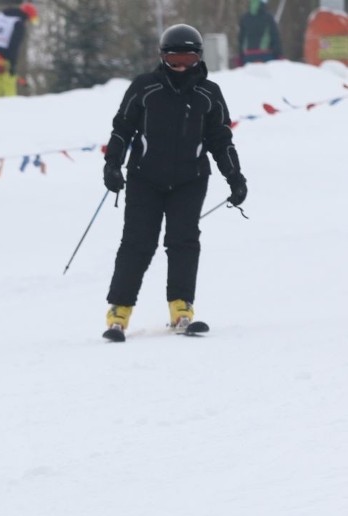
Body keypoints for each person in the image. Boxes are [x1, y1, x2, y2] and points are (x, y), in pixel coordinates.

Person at [101, 24, 248, 340]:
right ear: (163, 57)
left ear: (199, 57)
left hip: (190, 180)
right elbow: (121, 129)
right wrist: (112, 166)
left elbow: (221, 140)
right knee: (138, 243)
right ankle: (119, 311)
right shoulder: (145, 87)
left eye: (188, 59)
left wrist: (235, 178)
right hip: (145, 178)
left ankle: (181, 307)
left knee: (183, 241)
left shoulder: (209, 93)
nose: (181, 66)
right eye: (174, 59)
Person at [0, 2, 38, 98]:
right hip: (3, 59)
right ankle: (10, 110)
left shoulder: (0, 16)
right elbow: (14, 46)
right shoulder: (18, 24)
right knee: (9, 86)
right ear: (27, 16)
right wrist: (12, 65)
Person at [238, 0, 283, 65]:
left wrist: (240, 56)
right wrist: (279, 54)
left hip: (248, 55)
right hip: (266, 55)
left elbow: (241, 39)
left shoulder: (245, 18)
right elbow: (275, 36)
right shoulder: (268, 18)